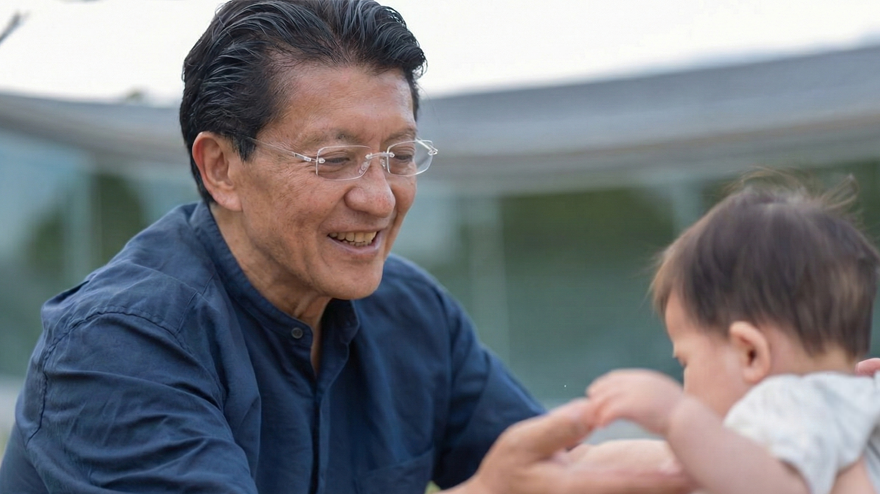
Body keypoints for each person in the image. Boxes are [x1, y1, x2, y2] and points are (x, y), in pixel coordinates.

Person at [0, 1, 692, 493]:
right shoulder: (117, 344)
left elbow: (552, 473)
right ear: (221, 168)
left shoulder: (412, 312)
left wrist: (719, 453)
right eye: (334, 160)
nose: (380, 199)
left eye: (399, 156)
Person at [586, 177, 880, 494]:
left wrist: (677, 417)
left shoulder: (781, 402)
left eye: (686, 362)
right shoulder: (860, 404)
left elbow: (772, 487)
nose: (685, 387)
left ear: (750, 354)